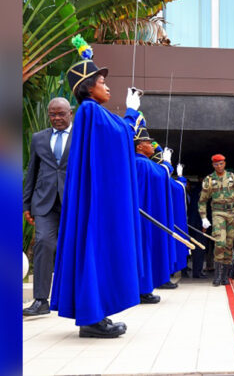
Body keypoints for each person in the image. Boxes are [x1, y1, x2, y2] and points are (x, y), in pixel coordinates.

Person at [49, 36, 142, 338]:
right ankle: (92, 317)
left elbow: (118, 135)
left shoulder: (94, 112)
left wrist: (128, 117)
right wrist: (130, 114)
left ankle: (95, 312)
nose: (107, 86)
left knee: (96, 248)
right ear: (88, 87)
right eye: (102, 81)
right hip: (98, 197)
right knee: (94, 246)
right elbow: (118, 136)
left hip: (98, 195)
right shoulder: (90, 111)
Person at [22, 97, 72, 316]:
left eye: (61, 113)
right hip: (44, 203)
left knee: (75, 248)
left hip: (73, 202)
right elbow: (31, 171)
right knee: (43, 243)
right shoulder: (38, 138)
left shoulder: (81, 137)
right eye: (53, 114)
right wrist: (26, 204)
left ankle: (75, 297)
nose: (57, 118)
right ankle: (41, 300)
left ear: (70, 112)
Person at [131, 122, 168, 304]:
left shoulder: (146, 163)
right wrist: (164, 160)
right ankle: (142, 290)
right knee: (142, 251)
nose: (152, 145)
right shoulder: (139, 164)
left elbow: (162, 174)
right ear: (139, 146)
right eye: (148, 142)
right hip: (142, 217)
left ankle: (145, 288)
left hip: (148, 216)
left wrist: (164, 160)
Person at [199, 154, 234, 286]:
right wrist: (203, 217)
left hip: (232, 213)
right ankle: (217, 276)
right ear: (213, 165)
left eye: (221, 163)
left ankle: (225, 276)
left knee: (229, 245)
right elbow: (202, 201)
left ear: (224, 163)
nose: (219, 166)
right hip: (218, 213)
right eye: (216, 164)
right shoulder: (209, 179)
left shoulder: (232, 177)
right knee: (220, 243)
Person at [151, 141, 185, 289]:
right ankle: (161, 278)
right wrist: (168, 164)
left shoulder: (163, 178)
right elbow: (179, 189)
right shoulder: (155, 174)